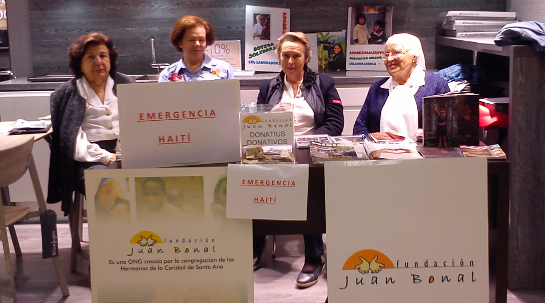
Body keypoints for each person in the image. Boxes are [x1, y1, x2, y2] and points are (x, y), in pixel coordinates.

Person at [255, 32, 344, 288]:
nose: (290, 61)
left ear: (306, 58)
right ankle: (256, 244)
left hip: (310, 151)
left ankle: (314, 257)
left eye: (296, 55)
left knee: (308, 189)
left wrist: (303, 145)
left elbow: (335, 123)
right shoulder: (267, 87)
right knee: (253, 180)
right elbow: (257, 122)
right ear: (279, 57)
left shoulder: (323, 84)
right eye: (286, 55)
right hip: (274, 152)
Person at [47, 32, 136, 216]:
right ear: (79, 63)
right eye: (90, 57)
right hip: (89, 157)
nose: (98, 62)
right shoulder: (67, 93)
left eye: (103, 56)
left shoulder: (126, 83)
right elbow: (71, 139)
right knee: (105, 182)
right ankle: (112, 241)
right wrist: (106, 157)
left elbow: (140, 122)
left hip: (129, 150)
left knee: (157, 177)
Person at [353, 33, 450, 139]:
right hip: (381, 152)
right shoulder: (377, 88)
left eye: (396, 52)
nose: (389, 59)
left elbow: (448, 128)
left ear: (414, 56)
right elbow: (360, 126)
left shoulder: (436, 86)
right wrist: (369, 141)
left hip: (422, 154)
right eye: (386, 54)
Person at [159, 15, 234, 82]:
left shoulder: (224, 68)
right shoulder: (167, 74)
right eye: (192, 40)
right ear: (180, 42)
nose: (197, 44)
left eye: (201, 40)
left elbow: (233, 97)